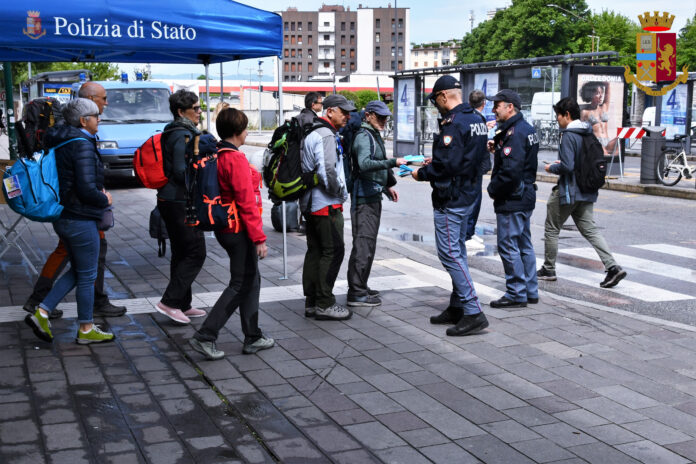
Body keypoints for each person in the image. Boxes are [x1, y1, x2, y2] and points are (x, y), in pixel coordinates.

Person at [23, 82, 127, 319]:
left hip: (69, 209)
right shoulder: (79, 141)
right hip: (80, 212)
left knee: (69, 254)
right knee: (89, 260)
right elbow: (84, 184)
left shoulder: (62, 134)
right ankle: (84, 315)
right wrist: (103, 199)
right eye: (102, 98)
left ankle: (42, 303)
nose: (106, 104)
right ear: (86, 108)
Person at [189, 108, 274, 359]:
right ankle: (206, 335)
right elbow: (246, 202)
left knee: (251, 280)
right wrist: (259, 238)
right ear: (238, 133)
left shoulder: (218, 153)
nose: (248, 133)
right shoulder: (235, 159)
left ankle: (253, 336)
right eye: (246, 128)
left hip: (225, 227)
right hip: (239, 230)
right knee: (241, 283)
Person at [411, 76, 489, 336]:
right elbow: (476, 161)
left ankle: (473, 311)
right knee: (458, 252)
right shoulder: (477, 120)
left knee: (449, 254)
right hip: (469, 195)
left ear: (444, 96)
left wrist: (420, 173)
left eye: (436, 100)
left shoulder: (454, 124)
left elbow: (448, 165)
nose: (437, 106)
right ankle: (457, 306)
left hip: (451, 198)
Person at [538, 97, 627, 288]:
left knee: (552, 228)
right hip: (587, 191)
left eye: (558, 116)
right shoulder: (588, 132)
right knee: (590, 230)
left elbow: (568, 166)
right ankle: (612, 267)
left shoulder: (569, 135)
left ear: (567, 115)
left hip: (570, 191)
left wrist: (552, 168)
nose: (557, 121)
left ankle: (549, 269)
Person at [347, 100, 406, 307]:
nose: (384, 120)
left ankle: (360, 285)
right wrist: (393, 162)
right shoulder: (364, 136)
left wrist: (386, 186)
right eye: (380, 117)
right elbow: (364, 164)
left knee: (367, 244)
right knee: (363, 244)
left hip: (371, 195)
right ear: (369, 115)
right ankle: (356, 292)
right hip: (363, 199)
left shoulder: (372, 134)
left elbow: (373, 166)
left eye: (386, 117)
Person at [155, 90, 208, 324]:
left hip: (171, 199)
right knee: (196, 251)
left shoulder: (175, 131)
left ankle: (183, 303)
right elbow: (179, 170)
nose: (199, 112)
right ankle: (170, 302)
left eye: (199, 108)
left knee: (181, 252)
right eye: (195, 108)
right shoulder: (181, 134)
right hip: (179, 201)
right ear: (181, 111)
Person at [301, 94, 354, 321]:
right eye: (344, 111)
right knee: (333, 251)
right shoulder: (325, 135)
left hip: (311, 203)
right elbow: (328, 172)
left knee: (315, 251)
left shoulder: (312, 131)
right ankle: (325, 302)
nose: (348, 116)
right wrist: (341, 193)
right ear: (330, 111)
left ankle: (312, 301)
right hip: (325, 204)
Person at [486, 89, 539, 308]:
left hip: (512, 197)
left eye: (497, 105)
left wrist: (492, 189)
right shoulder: (525, 129)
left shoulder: (514, 133)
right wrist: (497, 149)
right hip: (525, 195)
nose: (493, 110)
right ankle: (529, 290)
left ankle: (516, 293)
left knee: (508, 244)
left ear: (510, 107)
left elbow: (510, 171)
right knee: (523, 243)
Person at [466, 89, 492, 244]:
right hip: (476, 166)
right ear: (484, 103)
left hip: (472, 166)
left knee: (473, 198)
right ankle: (468, 233)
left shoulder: (471, 117)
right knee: (475, 199)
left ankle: (470, 231)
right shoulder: (478, 118)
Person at [579, 81, 616, 154]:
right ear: (591, 94)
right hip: (595, 142)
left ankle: (618, 163)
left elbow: (607, 86)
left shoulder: (604, 107)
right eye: (598, 93)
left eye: (602, 92)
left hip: (607, 140)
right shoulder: (585, 112)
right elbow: (581, 131)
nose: (601, 95)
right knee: (605, 156)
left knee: (620, 141)